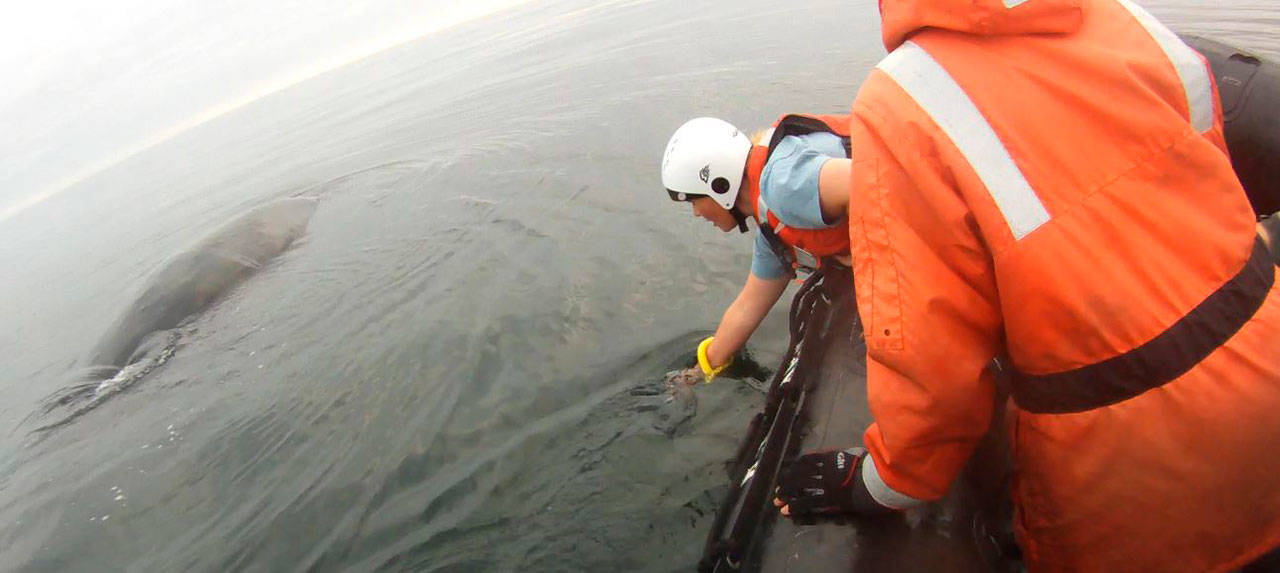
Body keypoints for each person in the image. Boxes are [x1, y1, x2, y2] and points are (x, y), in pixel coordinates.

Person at [770, 0, 1280, 571]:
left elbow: (932, 374)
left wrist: (878, 481)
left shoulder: (900, 105)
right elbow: (1218, 188)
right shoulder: (1124, 18)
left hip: (1127, 481)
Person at [660, 114, 853, 382]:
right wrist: (698, 374)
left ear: (719, 185)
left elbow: (872, 181)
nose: (696, 213)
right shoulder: (772, 235)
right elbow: (746, 308)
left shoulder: (783, 185)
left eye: (694, 201)